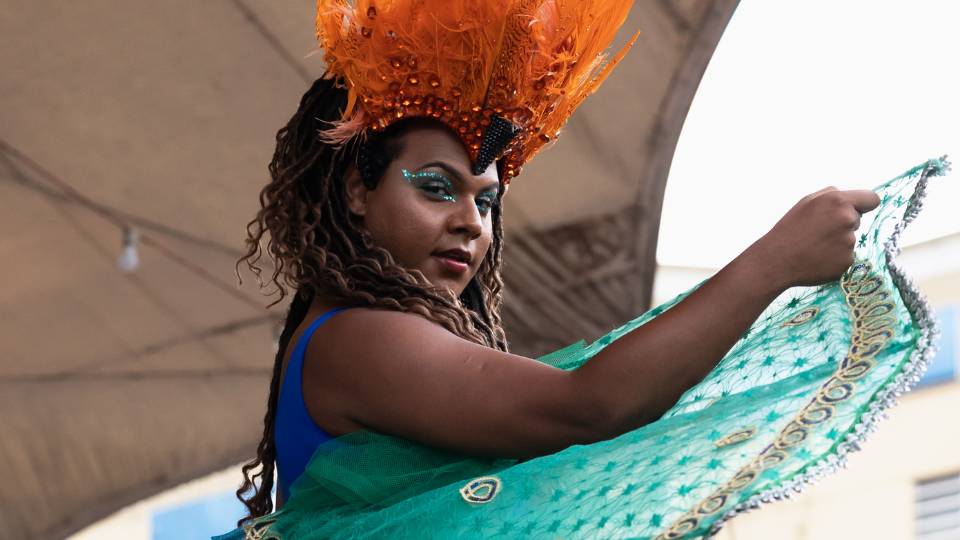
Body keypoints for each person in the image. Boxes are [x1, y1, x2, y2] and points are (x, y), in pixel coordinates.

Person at [220, 1, 945, 538]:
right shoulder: (359, 340)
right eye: (436, 188)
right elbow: (588, 407)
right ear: (356, 190)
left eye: (487, 201)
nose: (471, 222)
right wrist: (773, 262)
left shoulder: (370, 337)